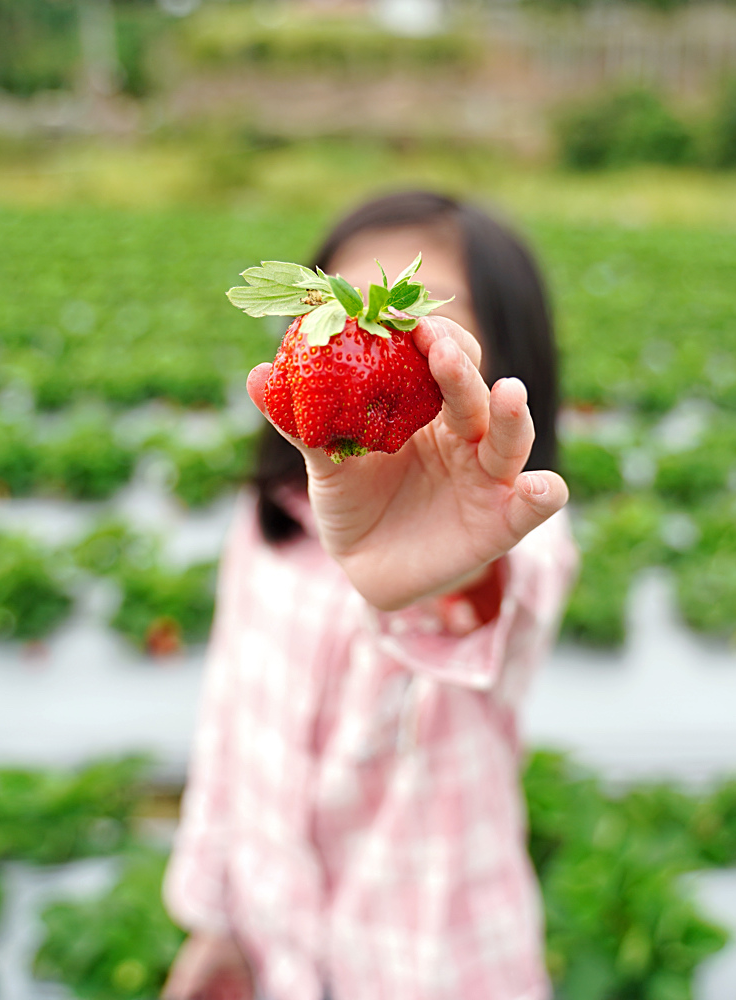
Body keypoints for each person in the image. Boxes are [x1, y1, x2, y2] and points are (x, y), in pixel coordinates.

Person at [162, 191, 579, 1000]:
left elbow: (493, 602)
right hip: (275, 949)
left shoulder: (519, 538)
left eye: (408, 315)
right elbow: (231, 726)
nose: (361, 327)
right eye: (334, 303)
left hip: (436, 966)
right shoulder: (265, 529)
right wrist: (213, 919)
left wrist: (440, 567)